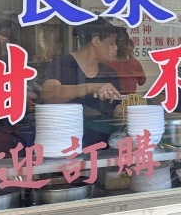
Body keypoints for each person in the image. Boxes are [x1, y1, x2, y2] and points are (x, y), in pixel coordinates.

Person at [42, 18, 123, 146]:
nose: (116, 48)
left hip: (102, 149)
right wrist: (89, 88)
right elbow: (48, 94)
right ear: (96, 41)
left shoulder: (109, 73)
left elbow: (116, 111)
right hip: (64, 145)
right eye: (112, 43)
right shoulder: (62, 64)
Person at [109, 27, 146, 95]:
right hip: (130, 102)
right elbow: (142, 81)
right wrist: (130, 52)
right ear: (129, 44)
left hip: (111, 103)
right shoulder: (134, 64)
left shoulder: (107, 64)